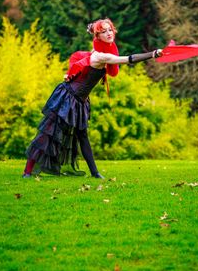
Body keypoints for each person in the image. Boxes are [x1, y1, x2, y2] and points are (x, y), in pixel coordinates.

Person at [22, 18, 162, 179]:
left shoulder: (102, 53)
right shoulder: (101, 57)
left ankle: (95, 173)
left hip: (80, 101)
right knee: (48, 132)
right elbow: (128, 59)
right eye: (104, 32)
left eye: (110, 30)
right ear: (98, 36)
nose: (109, 33)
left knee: (83, 136)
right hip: (68, 97)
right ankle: (27, 171)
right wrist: (152, 54)